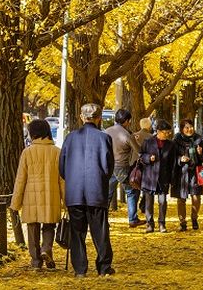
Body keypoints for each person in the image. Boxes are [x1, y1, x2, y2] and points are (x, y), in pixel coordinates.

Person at [59, 103, 115, 277]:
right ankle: (104, 267)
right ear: (98, 118)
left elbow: (62, 167)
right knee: (100, 231)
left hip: (75, 191)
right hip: (96, 190)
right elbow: (108, 167)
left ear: (82, 117)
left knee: (77, 232)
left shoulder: (70, 138)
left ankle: (80, 269)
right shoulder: (103, 138)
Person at [10, 119, 65, 269]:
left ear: (33, 133)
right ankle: (46, 249)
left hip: (31, 197)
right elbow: (62, 180)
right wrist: (66, 202)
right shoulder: (57, 152)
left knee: (32, 227)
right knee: (49, 226)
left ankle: (36, 261)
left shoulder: (27, 152)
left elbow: (21, 179)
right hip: (51, 196)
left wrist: (15, 203)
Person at [105, 109, 144, 227]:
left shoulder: (106, 131)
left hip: (108, 166)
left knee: (107, 194)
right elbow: (139, 150)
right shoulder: (126, 135)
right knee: (132, 191)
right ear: (127, 121)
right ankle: (133, 219)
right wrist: (135, 140)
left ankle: (102, 219)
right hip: (122, 167)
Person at [139, 119, 176, 233]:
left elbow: (172, 162)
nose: (167, 134)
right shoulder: (148, 142)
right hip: (150, 177)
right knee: (149, 202)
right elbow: (141, 156)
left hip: (163, 178)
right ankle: (149, 224)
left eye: (168, 132)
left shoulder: (170, 145)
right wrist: (148, 158)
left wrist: (172, 179)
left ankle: (162, 223)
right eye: (165, 132)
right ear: (158, 131)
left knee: (162, 201)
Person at [171, 118, 203, 231]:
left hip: (195, 171)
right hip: (181, 172)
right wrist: (180, 159)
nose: (189, 129)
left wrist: (201, 153)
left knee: (196, 197)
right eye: (186, 127)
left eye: (191, 127)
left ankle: (194, 218)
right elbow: (172, 157)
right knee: (181, 198)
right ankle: (182, 222)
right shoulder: (176, 140)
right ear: (182, 129)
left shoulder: (198, 139)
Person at [134, 117, 154, 217]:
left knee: (137, 185)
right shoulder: (151, 137)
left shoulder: (135, 135)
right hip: (148, 165)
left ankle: (137, 206)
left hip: (136, 164)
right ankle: (144, 205)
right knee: (147, 187)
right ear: (149, 126)